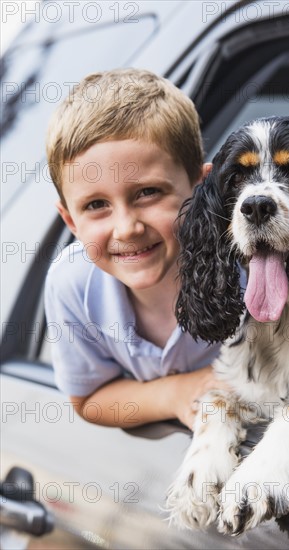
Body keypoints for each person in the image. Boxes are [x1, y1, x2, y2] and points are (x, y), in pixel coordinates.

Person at [44, 68, 224, 431]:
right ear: (71, 221)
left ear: (202, 189)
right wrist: (176, 393)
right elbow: (90, 398)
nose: (127, 227)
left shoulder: (248, 263)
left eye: (148, 193)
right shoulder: (73, 284)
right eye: (96, 205)